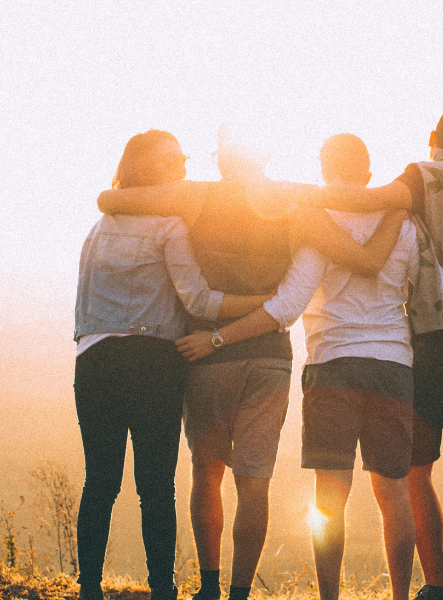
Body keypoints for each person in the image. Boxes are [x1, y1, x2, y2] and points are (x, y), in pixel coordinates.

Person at [176, 134, 443, 600]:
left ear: (324, 171)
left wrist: (219, 336)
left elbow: (285, 308)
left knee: (330, 498)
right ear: (366, 174)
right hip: (393, 370)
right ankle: (400, 596)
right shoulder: (403, 225)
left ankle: (329, 598)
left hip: (331, 368)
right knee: (393, 494)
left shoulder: (319, 228)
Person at [97, 123, 405, 600]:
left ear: (221, 159)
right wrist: (399, 199)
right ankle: (241, 590)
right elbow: (361, 251)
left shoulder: (194, 197)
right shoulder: (295, 204)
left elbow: (111, 202)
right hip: (269, 358)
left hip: (204, 356)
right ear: (264, 156)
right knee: (254, 482)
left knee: (207, 472)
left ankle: (211, 587)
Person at [307, 109, 443, 600]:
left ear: (432, 139)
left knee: (416, 470)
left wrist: (295, 196)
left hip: (434, 335)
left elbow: (366, 200)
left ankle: (435, 585)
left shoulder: (424, 175)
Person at [72, 130, 273, 600]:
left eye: (182, 158)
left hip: (94, 360)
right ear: (145, 168)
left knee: (100, 480)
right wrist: (265, 302)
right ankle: (162, 588)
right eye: (171, 160)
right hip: (152, 361)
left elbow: (82, 304)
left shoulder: (98, 227)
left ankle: (88, 589)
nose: (182, 167)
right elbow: (199, 300)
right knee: (155, 485)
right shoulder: (169, 227)